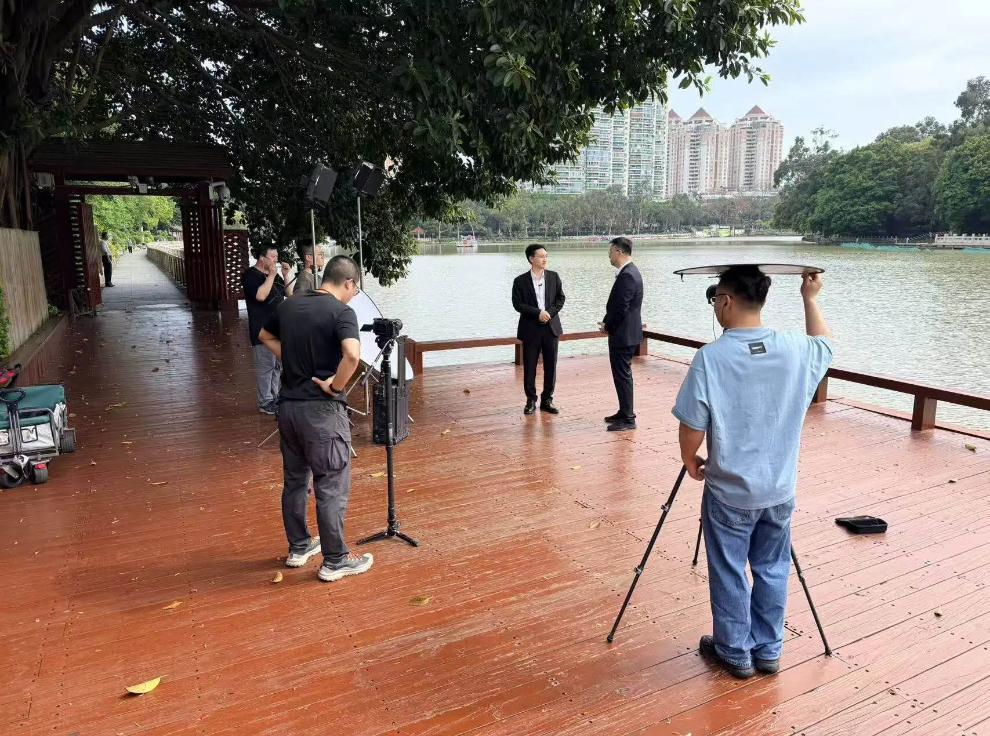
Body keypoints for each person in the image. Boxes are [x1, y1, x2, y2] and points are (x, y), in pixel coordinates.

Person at [672, 266, 833, 680]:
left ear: (725, 301)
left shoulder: (711, 358)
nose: (715, 308)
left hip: (729, 490)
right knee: (773, 567)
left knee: (729, 568)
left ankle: (734, 651)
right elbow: (825, 345)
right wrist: (810, 298)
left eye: (715, 300)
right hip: (779, 488)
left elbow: (692, 424)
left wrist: (690, 459)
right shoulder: (795, 348)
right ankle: (768, 649)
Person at [258, 255, 374, 583]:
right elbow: (352, 355)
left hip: (289, 409)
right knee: (331, 484)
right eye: (355, 289)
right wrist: (335, 386)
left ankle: (299, 546)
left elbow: (264, 335)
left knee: (295, 481)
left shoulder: (289, 305)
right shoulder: (341, 312)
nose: (354, 296)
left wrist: (293, 359)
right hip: (322, 412)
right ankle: (335, 560)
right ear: (348, 282)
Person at [512, 244, 565, 415]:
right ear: (531, 259)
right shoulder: (520, 281)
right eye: (541, 256)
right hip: (530, 329)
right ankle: (531, 400)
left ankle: (547, 400)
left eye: (546, 256)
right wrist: (538, 313)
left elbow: (560, 299)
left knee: (551, 366)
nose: (545, 259)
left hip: (551, 328)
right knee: (530, 366)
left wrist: (549, 313)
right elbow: (518, 304)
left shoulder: (554, 277)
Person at [599, 236, 644, 431]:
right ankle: (624, 411)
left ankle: (628, 418)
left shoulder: (628, 275)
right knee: (622, 375)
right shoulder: (630, 272)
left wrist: (607, 326)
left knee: (623, 375)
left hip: (623, 334)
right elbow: (619, 306)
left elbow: (621, 308)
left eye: (610, 252)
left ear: (618, 252)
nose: (609, 256)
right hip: (626, 333)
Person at [242, 245, 290, 414]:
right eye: (272, 257)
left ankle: (275, 396)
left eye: (276, 257)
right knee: (265, 366)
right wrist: (271, 275)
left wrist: (286, 275)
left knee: (278, 365)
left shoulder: (274, 275)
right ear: (262, 258)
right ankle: (265, 401)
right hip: (261, 329)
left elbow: (289, 294)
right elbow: (261, 296)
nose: (275, 260)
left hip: (278, 328)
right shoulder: (250, 275)